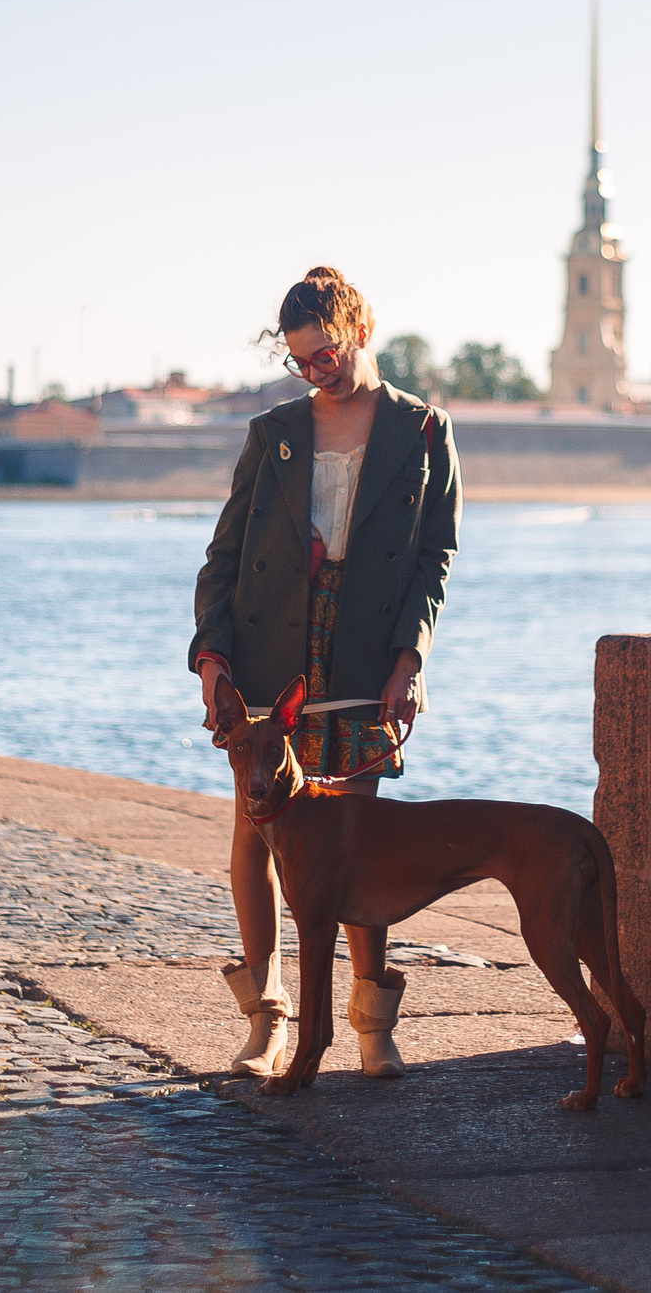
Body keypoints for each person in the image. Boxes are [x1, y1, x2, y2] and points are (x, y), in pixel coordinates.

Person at [190, 266, 461, 1080]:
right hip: (270, 644)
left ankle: (371, 1022)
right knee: (256, 825)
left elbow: (435, 556)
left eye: (327, 353)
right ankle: (267, 1016)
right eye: (302, 362)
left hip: (363, 648)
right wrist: (212, 654)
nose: (317, 372)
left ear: (359, 329)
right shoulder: (273, 429)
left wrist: (411, 657)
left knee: (355, 838)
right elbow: (225, 553)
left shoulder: (422, 428)